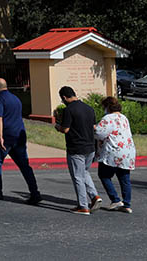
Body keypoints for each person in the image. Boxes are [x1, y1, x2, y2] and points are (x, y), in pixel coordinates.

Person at [0, 78, 41, 204]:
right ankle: (35, 193)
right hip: (19, 136)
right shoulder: (16, 99)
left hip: (5, 137)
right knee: (25, 166)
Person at [55, 86, 103, 215]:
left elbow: (65, 129)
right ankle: (94, 196)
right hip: (90, 146)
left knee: (77, 176)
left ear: (64, 97)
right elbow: (94, 127)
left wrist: (57, 126)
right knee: (84, 172)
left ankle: (83, 206)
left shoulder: (69, 110)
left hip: (76, 147)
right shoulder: (89, 108)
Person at [95, 96, 135, 213]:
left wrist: (94, 128)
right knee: (124, 178)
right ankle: (126, 204)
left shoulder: (107, 118)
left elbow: (99, 134)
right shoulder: (124, 118)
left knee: (104, 175)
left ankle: (115, 199)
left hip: (113, 151)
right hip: (127, 151)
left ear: (107, 106)